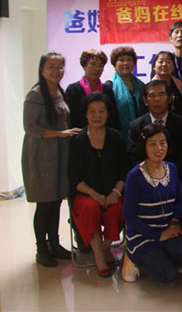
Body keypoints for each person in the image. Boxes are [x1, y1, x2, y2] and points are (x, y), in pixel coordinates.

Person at [22, 52, 81, 267]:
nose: (56, 71)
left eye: (59, 67)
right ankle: (41, 249)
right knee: (45, 203)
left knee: (56, 201)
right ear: (42, 69)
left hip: (59, 154)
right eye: (51, 67)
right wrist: (60, 134)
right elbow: (30, 127)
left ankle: (54, 244)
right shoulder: (36, 95)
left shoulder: (59, 92)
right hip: (42, 155)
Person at [122, 123, 182, 283]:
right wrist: (157, 235)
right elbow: (129, 217)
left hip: (167, 230)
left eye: (163, 143)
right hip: (142, 235)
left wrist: (175, 222)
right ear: (144, 146)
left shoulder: (172, 168)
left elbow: (179, 200)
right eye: (152, 144)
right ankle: (131, 257)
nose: (159, 148)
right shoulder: (135, 176)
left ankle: (159, 256)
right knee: (169, 275)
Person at [68, 93, 128, 277]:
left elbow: (124, 170)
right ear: (85, 114)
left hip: (112, 192)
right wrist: (93, 194)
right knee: (89, 208)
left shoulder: (116, 137)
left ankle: (106, 247)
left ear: (108, 114)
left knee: (116, 208)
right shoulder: (77, 140)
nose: (97, 115)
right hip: (86, 194)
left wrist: (115, 193)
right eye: (92, 111)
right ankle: (98, 254)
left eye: (102, 111)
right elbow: (74, 175)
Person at [127, 80, 182, 188]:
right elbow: (133, 158)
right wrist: (150, 177)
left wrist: (167, 177)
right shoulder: (135, 127)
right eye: (152, 95)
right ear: (145, 100)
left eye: (161, 94)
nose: (157, 99)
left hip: (176, 179)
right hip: (144, 180)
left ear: (170, 98)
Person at [65, 49, 119, 130]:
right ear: (84, 66)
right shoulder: (73, 90)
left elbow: (113, 119)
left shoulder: (107, 90)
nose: (97, 68)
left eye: (101, 65)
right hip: (79, 135)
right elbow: (70, 119)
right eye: (93, 64)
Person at [105, 46, 145, 139]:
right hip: (118, 136)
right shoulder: (109, 86)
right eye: (121, 60)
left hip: (141, 134)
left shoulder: (141, 85)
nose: (125, 63)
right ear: (114, 64)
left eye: (129, 60)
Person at [151, 51, 182, 116]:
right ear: (154, 67)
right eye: (160, 62)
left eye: (168, 62)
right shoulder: (149, 88)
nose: (164, 64)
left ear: (173, 67)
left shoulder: (179, 84)